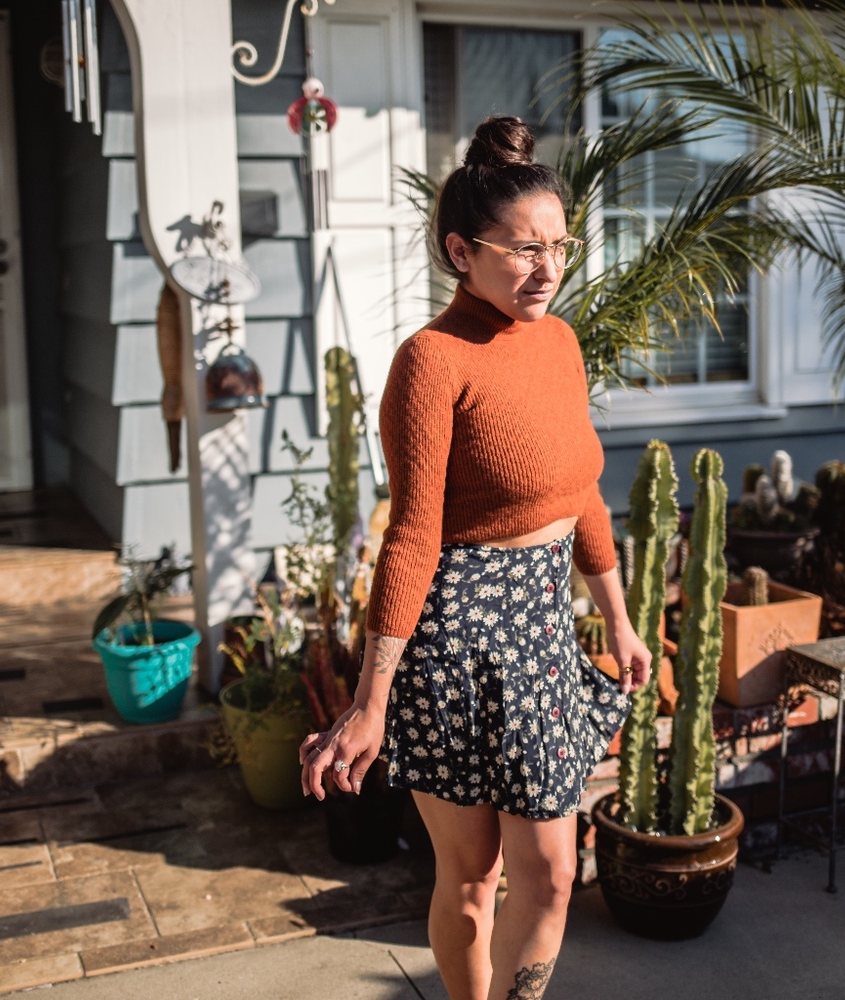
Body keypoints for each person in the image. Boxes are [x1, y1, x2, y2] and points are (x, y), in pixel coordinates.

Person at [301, 116, 651, 1000]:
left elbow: (580, 490)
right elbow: (412, 535)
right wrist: (372, 698)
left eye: (560, 246)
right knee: (471, 878)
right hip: (455, 633)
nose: (548, 268)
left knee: (554, 872)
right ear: (461, 251)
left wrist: (617, 617)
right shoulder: (431, 361)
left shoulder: (560, 342)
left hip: (543, 622)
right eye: (524, 250)